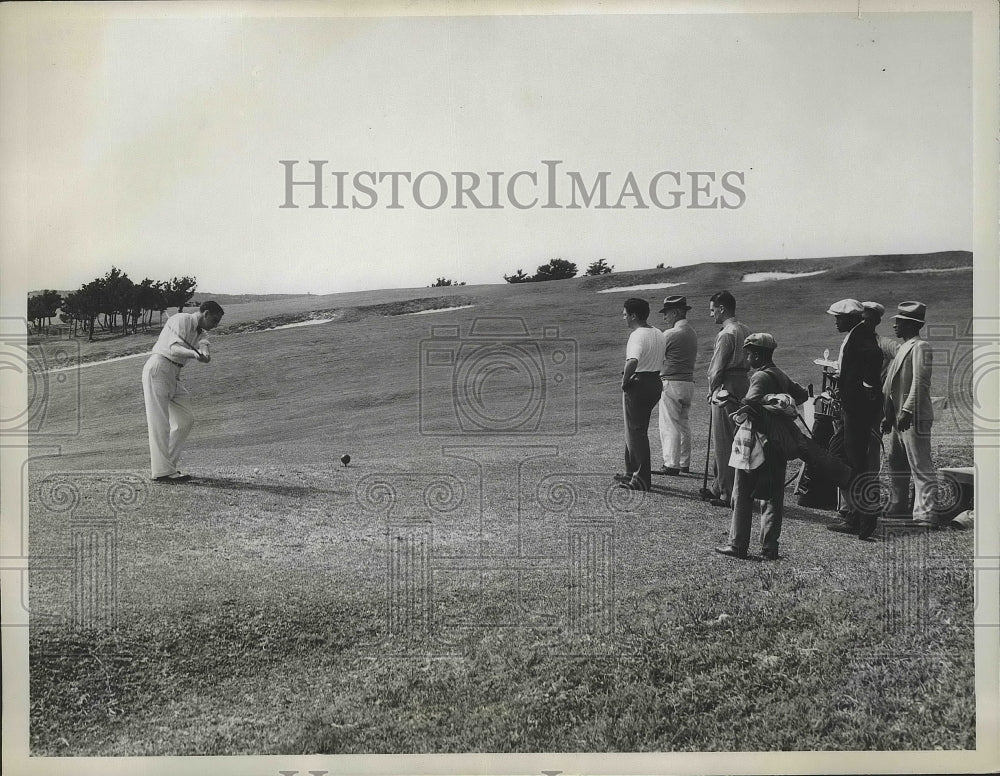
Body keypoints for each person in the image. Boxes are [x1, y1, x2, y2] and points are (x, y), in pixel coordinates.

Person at [715, 333, 808, 560]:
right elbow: (802, 395)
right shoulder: (780, 374)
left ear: (756, 354)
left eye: (748, 354)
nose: (747, 359)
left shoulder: (759, 377)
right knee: (773, 496)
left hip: (756, 442)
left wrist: (734, 403)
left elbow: (750, 405)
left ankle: (738, 544)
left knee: (743, 492)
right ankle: (769, 547)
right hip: (778, 441)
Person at [141, 300, 224, 482]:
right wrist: (194, 355)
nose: (215, 325)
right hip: (159, 369)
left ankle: (167, 466)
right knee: (160, 423)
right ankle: (162, 472)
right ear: (206, 313)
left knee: (185, 420)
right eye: (215, 320)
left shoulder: (200, 330)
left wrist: (205, 353)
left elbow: (204, 343)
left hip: (173, 375)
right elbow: (174, 347)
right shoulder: (182, 319)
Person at [825, 298, 883, 539]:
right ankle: (855, 514)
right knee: (838, 454)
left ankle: (864, 518)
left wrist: (867, 387)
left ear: (850, 318)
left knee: (856, 463)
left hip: (857, 411)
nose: (836, 321)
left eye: (839, 317)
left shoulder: (861, 335)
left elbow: (875, 356)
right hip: (851, 408)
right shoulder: (857, 333)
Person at [881, 301, 936, 526]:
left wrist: (906, 410)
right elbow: (891, 385)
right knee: (896, 461)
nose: (895, 326)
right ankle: (898, 506)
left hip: (913, 417)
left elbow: (920, 383)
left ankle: (926, 516)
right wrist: (889, 414)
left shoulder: (921, 347)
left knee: (919, 464)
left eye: (899, 323)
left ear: (911, 325)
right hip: (898, 417)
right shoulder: (904, 347)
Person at [703, 291, 751, 507]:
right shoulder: (745, 329)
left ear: (722, 308)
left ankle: (727, 492)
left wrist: (712, 390)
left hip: (726, 387)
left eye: (713, 310)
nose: (711, 314)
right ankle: (718, 485)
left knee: (723, 442)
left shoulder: (726, 333)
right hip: (744, 385)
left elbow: (716, 370)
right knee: (738, 437)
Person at [618, 298, 664, 491]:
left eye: (625, 314)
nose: (624, 318)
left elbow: (632, 361)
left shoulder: (637, 335)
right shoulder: (658, 333)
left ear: (634, 315)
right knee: (636, 429)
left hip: (639, 382)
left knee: (636, 432)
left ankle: (641, 478)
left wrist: (624, 381)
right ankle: (631, 471)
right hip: (655, 381)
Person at [656, 295, 698, 476]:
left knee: (669, 424)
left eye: (667, 313)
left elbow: (657, 357)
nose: (665, 317)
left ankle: (671, 464)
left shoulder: (670, 334)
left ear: (675, 312)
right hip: (688, 382)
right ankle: (683, 462)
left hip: (671, 382)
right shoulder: (692, 333)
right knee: (683, 423)